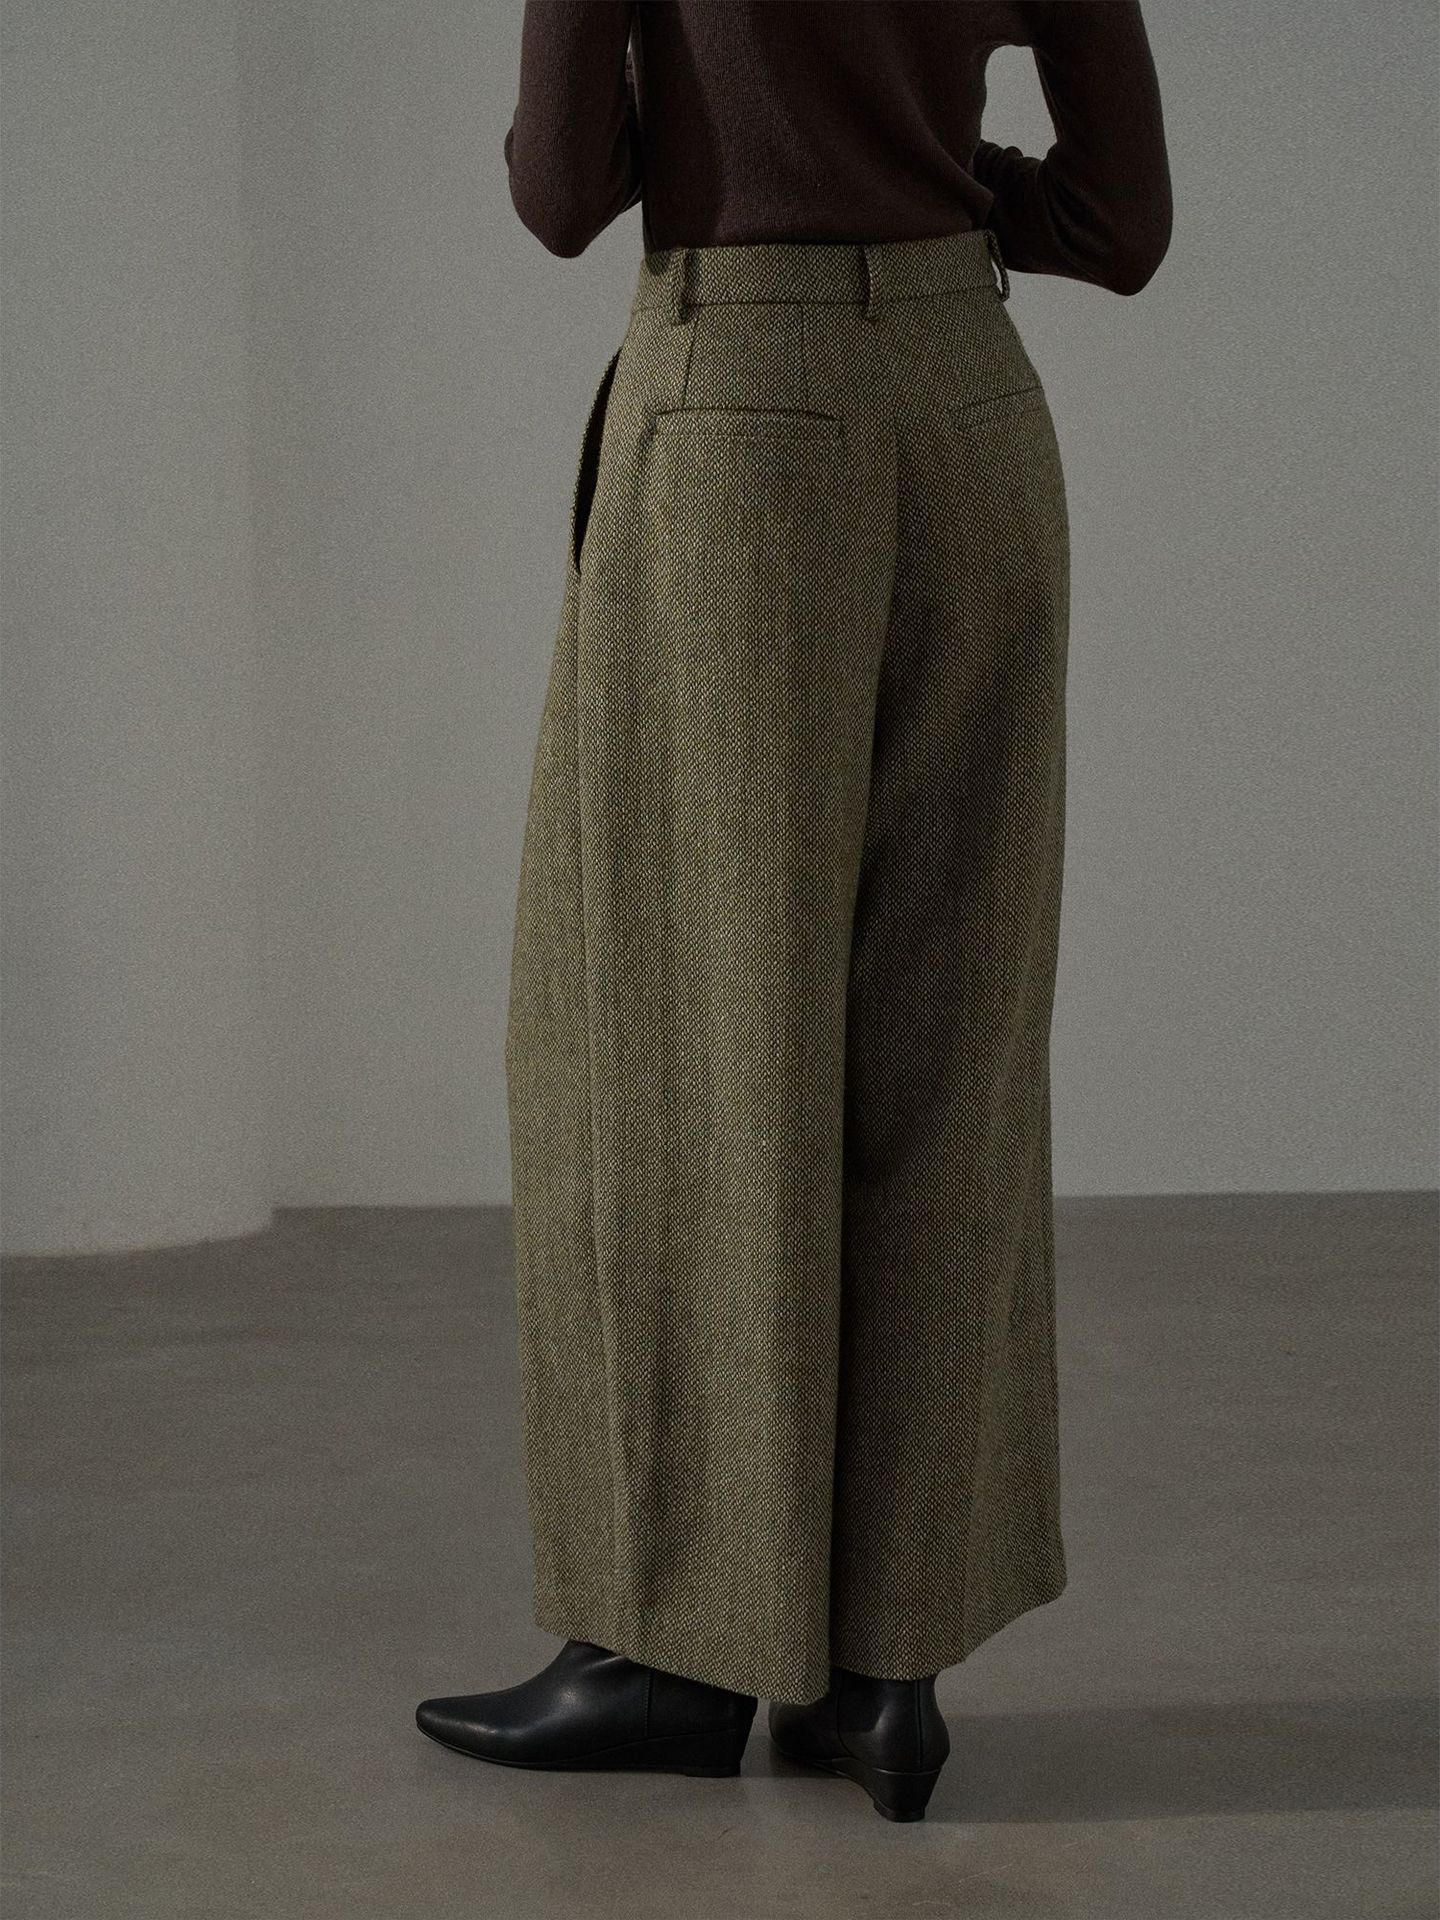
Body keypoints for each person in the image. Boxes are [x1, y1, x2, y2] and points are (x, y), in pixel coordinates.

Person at [417, 0, 1172, 1823]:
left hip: (740, 419)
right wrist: (935, 188)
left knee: (682, 1049)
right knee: (946, 1052)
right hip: (975, 414)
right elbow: (1121, 221)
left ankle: (673, 1651)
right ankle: (885, 1669)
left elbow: (559, 192)